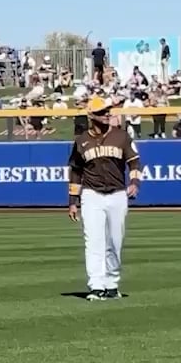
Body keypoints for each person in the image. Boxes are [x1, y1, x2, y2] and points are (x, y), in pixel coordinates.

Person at [67, 95, 139, 301]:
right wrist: (73, 201)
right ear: (91, 115)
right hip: (91, 195)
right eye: (102, 112)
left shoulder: (121, 136)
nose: (107, 114)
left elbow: (134, 162)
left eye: (108, 111)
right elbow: (76, 171)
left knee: (115, 241)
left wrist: (135, 182)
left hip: (117, 193)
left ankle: (112, 283)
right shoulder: (81, 141)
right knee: (93, 241)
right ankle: (96, 286)